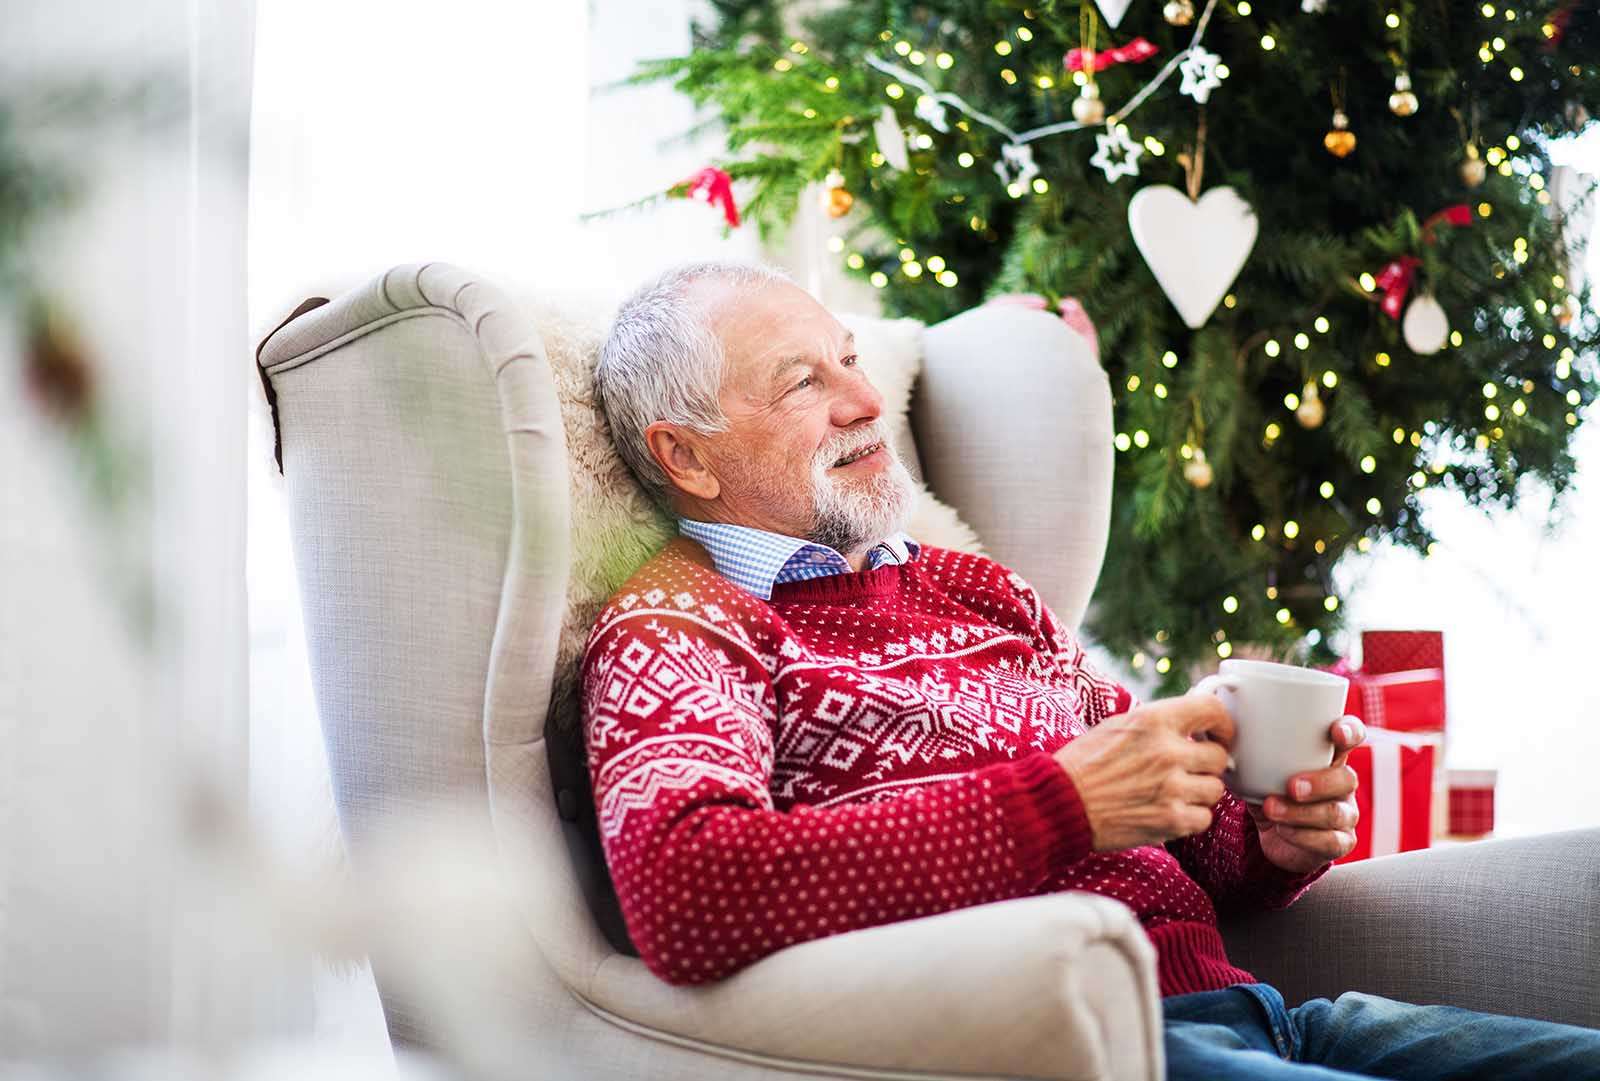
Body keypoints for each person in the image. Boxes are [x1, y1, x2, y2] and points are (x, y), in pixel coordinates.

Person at [580, 260, 1600, 1079]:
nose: (863, 399)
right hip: (1097, 1047)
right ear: (687, 456)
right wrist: (1061, 802)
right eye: (803, 381)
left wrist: (1269, 838)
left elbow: (1175, 833)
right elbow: (686, 891)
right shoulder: (683, 621)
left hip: (1266, 1014)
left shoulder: (978, 590)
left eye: (851, 359)